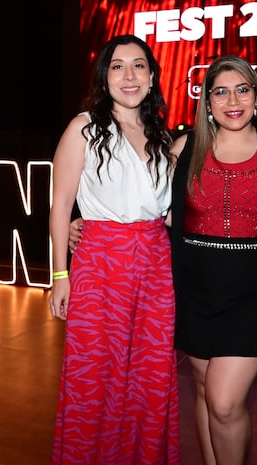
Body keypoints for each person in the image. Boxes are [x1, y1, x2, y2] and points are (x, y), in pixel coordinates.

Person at [48, 34, 180, 464]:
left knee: (151, 375)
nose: (129, 75)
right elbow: (61, 205)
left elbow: (168, 214)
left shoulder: (162, 135)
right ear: (105, 76)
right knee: (95, 379)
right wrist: (60, 275)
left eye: (138, 65)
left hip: (156, 267)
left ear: (152, 75)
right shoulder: (84, 128)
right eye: (117, 65)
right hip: (100, 264)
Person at [169, 55, 257, 465]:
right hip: (195, 292)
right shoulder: (185, 148)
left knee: (224, 402)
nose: (232, 100)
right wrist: (86, 222)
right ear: (207, 102)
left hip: (254, 298)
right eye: (221, 91)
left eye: (242, 89)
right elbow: (145, 204)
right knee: (204, 391)